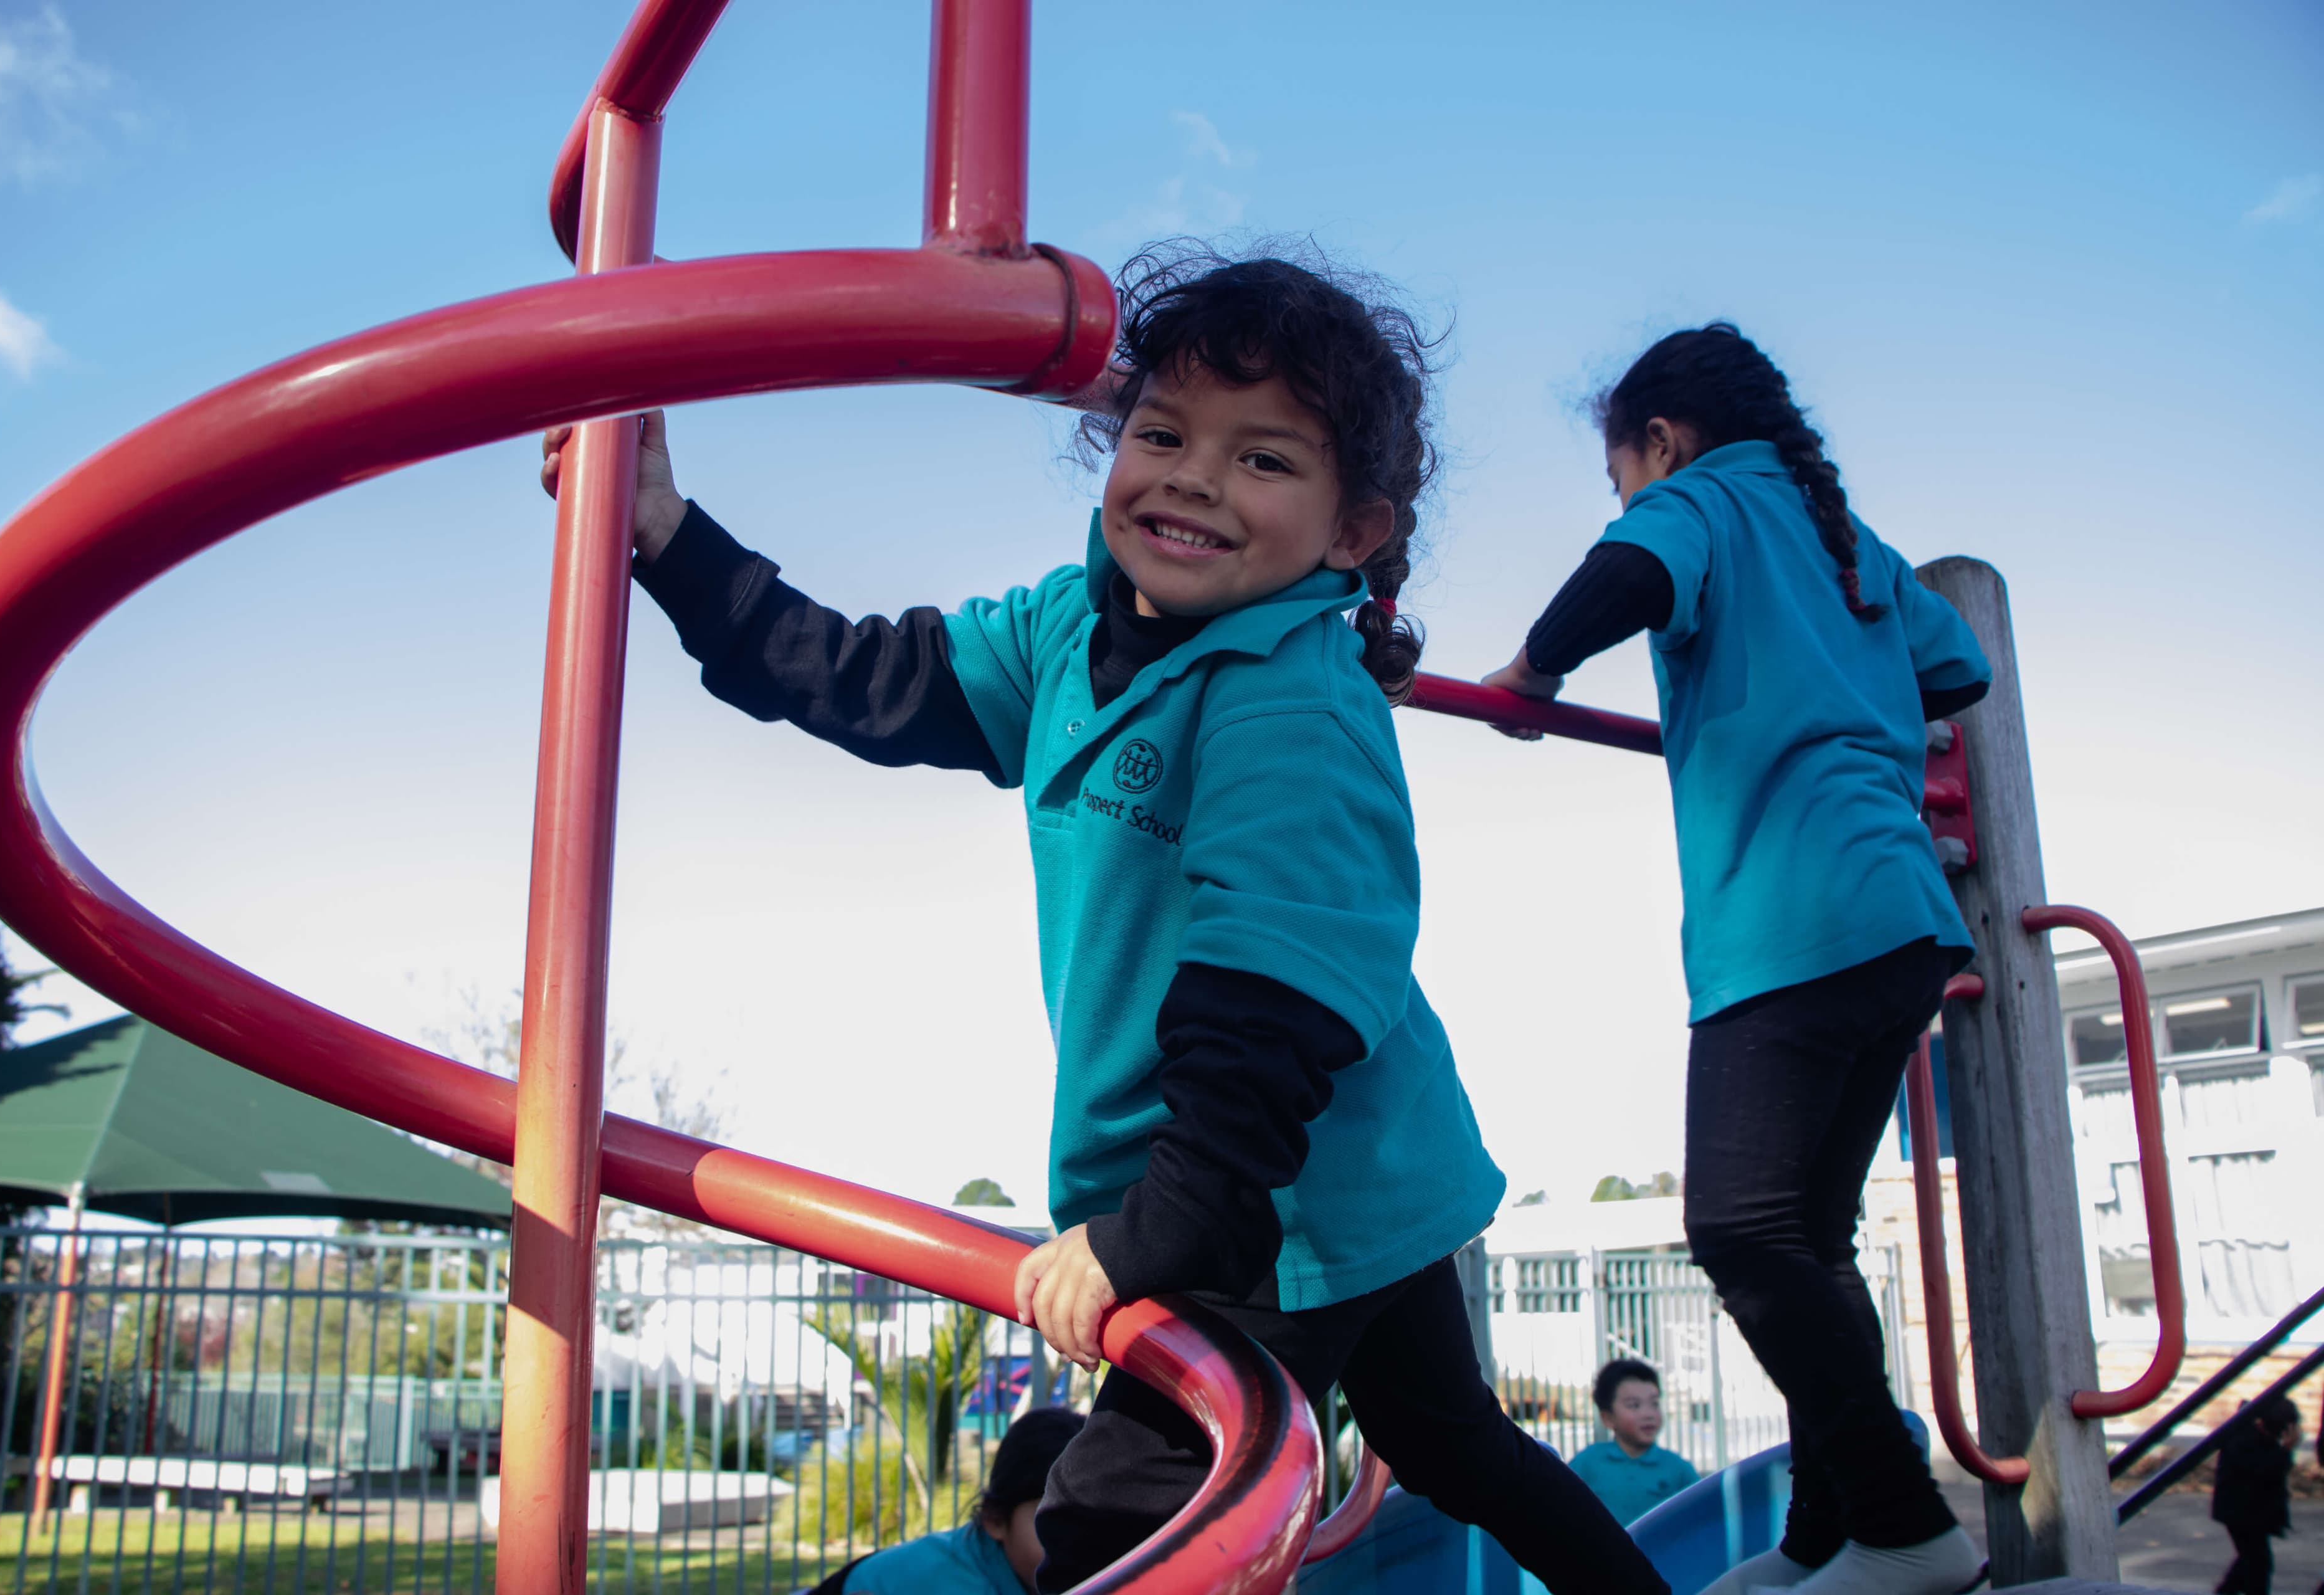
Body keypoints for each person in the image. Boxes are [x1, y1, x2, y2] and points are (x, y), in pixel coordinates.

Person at [542, 242, 1666, 1595]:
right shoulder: (1072, 625)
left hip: (1259, 1178)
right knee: (1453, 1441)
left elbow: (1271, 1001)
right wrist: (668, 534)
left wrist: (1150, 1234)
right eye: (1165, 431)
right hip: (1341, 1163)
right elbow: (868, 678)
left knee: (1112, 1534)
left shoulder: (1289, 700)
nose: (1192, 476)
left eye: (1264, 459)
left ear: (1352, 530)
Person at [1486, 323, 1993, 1595]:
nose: (1633, 498)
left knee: (1741, 1227)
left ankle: (1904, 1523)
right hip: (1908, 919)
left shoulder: (1705, 499)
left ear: (1663, 442)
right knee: (1811, 1237)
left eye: (1625, 476)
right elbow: (1960, 664)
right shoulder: (1845, 539)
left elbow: (1622, 577)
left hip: (1793, 914)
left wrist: (1531, 674)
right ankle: (1832, 1536)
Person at [810, 1407, 1086, 1595]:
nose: (1077, 1544)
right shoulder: (952, 1583)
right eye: (1054, 1524)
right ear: (995, 1520)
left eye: (1093, 1523)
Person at [1570, 1357, 1700, 1525]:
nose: (1649, 1414)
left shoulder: (1679, 1469)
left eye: (1654, 1404)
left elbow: (1700, 1519)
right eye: (1634, 1405)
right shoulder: (1587, 1463)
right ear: (1608, 1418)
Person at [2212, 1394, 2300, 1595]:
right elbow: (2264, 1471)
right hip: (2240, 1511)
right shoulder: (2243, 1439)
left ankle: (2226, 1591)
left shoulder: (2254, 1433)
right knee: (2258, 1564)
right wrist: (2285, 1451)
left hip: (2252, 1511)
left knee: (2251, 1560)